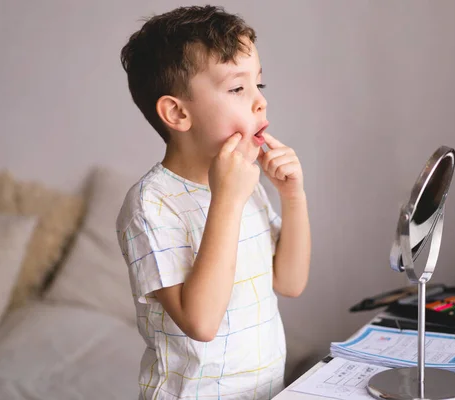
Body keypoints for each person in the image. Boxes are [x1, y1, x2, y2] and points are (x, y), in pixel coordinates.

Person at [116, 5, 311, 399]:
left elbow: (290, 283)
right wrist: (226, 200)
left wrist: (293, 196)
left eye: (260, 85)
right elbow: (201, 323)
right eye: (238, 88)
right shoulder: (151, 204)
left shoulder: (245, 183)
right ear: (177, 112)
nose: (260, 102)